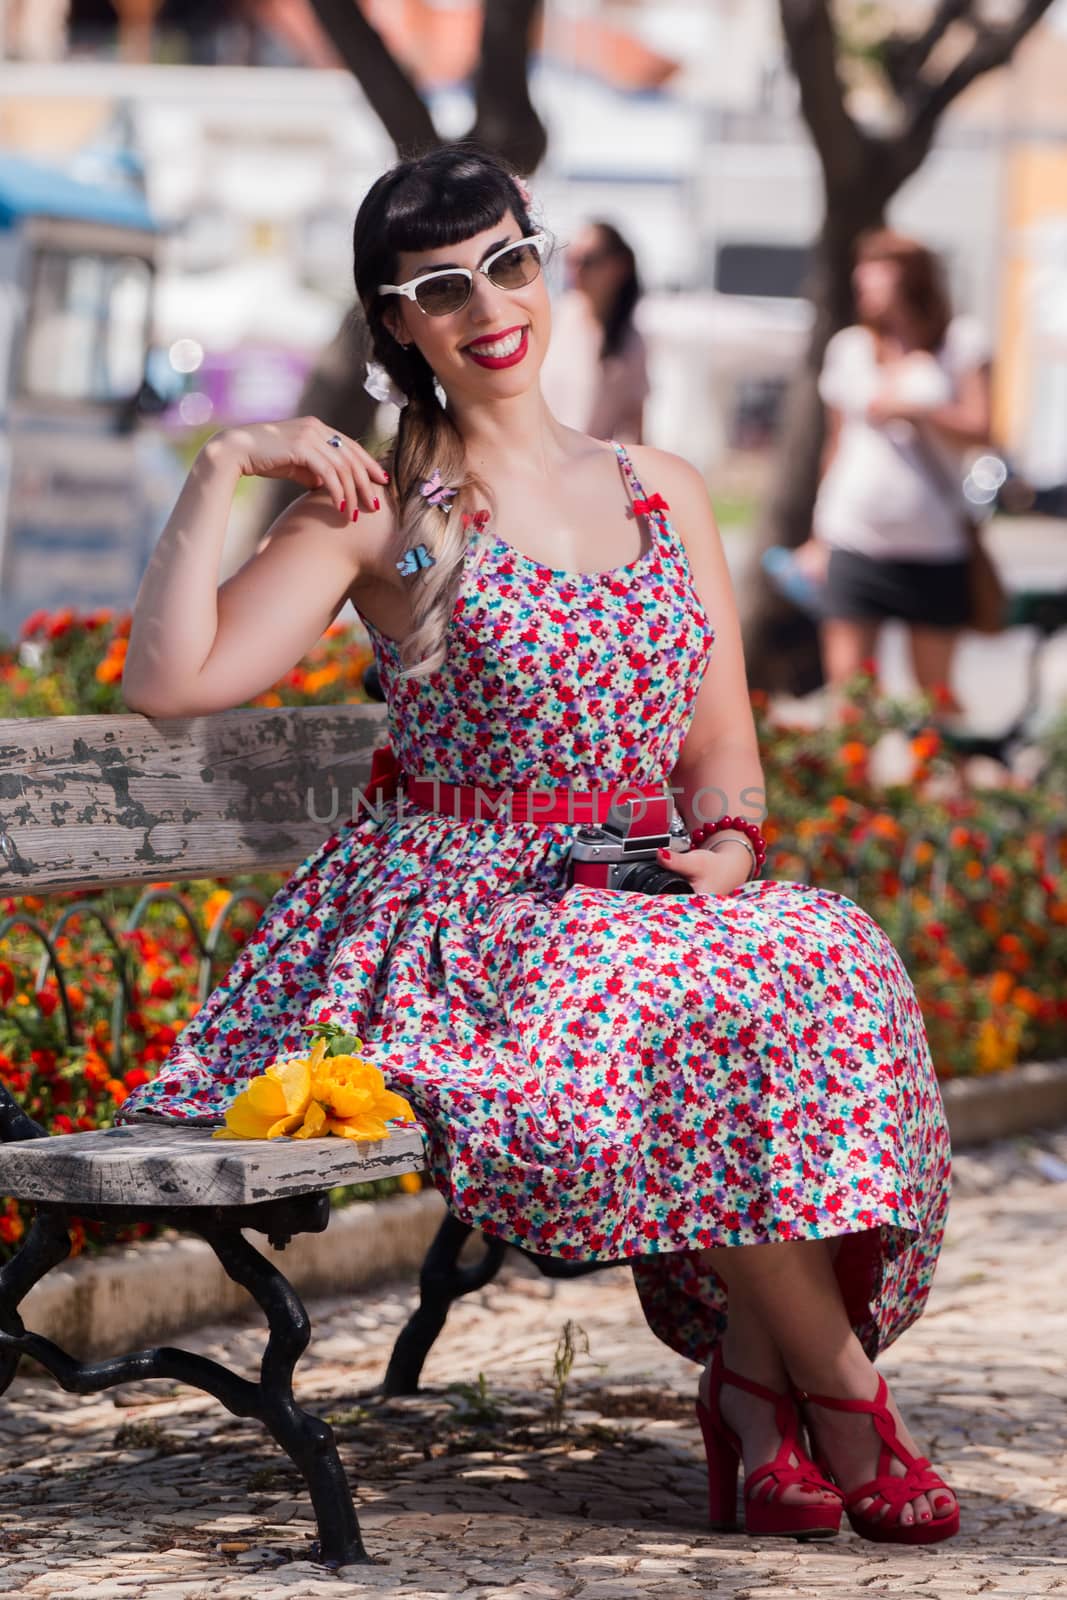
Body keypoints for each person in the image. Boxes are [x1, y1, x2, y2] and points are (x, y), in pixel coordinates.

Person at [119, 146, 957, 1545]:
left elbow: (718, 747)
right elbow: (171, 683)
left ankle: (753, 1394)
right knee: (693, 996)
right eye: (439, 287)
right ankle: (834, 1390)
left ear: (544, 261)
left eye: (507, 261)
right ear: (398, 323)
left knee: (824, 950)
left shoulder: (660, 488)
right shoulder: (394, 518)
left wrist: (732, 847)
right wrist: (220, 464)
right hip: (463, 916)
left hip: (635, 901)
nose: (487, 303)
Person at [794, 229, 993, 724]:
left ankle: (940, 796)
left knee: (935, 699)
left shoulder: (959, 343)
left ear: (910, 278)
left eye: (876, 270)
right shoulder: (850, 348)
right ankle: (855, 799)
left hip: (935, 546)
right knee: (851, 696)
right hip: (855, 539)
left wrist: (919, 410)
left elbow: (982, 427)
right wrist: (819, 536)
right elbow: (835, 444)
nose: (862, 281)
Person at [539, 219, 649, 444]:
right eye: (570, 260)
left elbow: (635, 426)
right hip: (539, 459)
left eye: (587, 260)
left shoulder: (631, 342)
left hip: (588, 468)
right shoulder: (552, 317)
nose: (576, 269)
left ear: (619, 266)